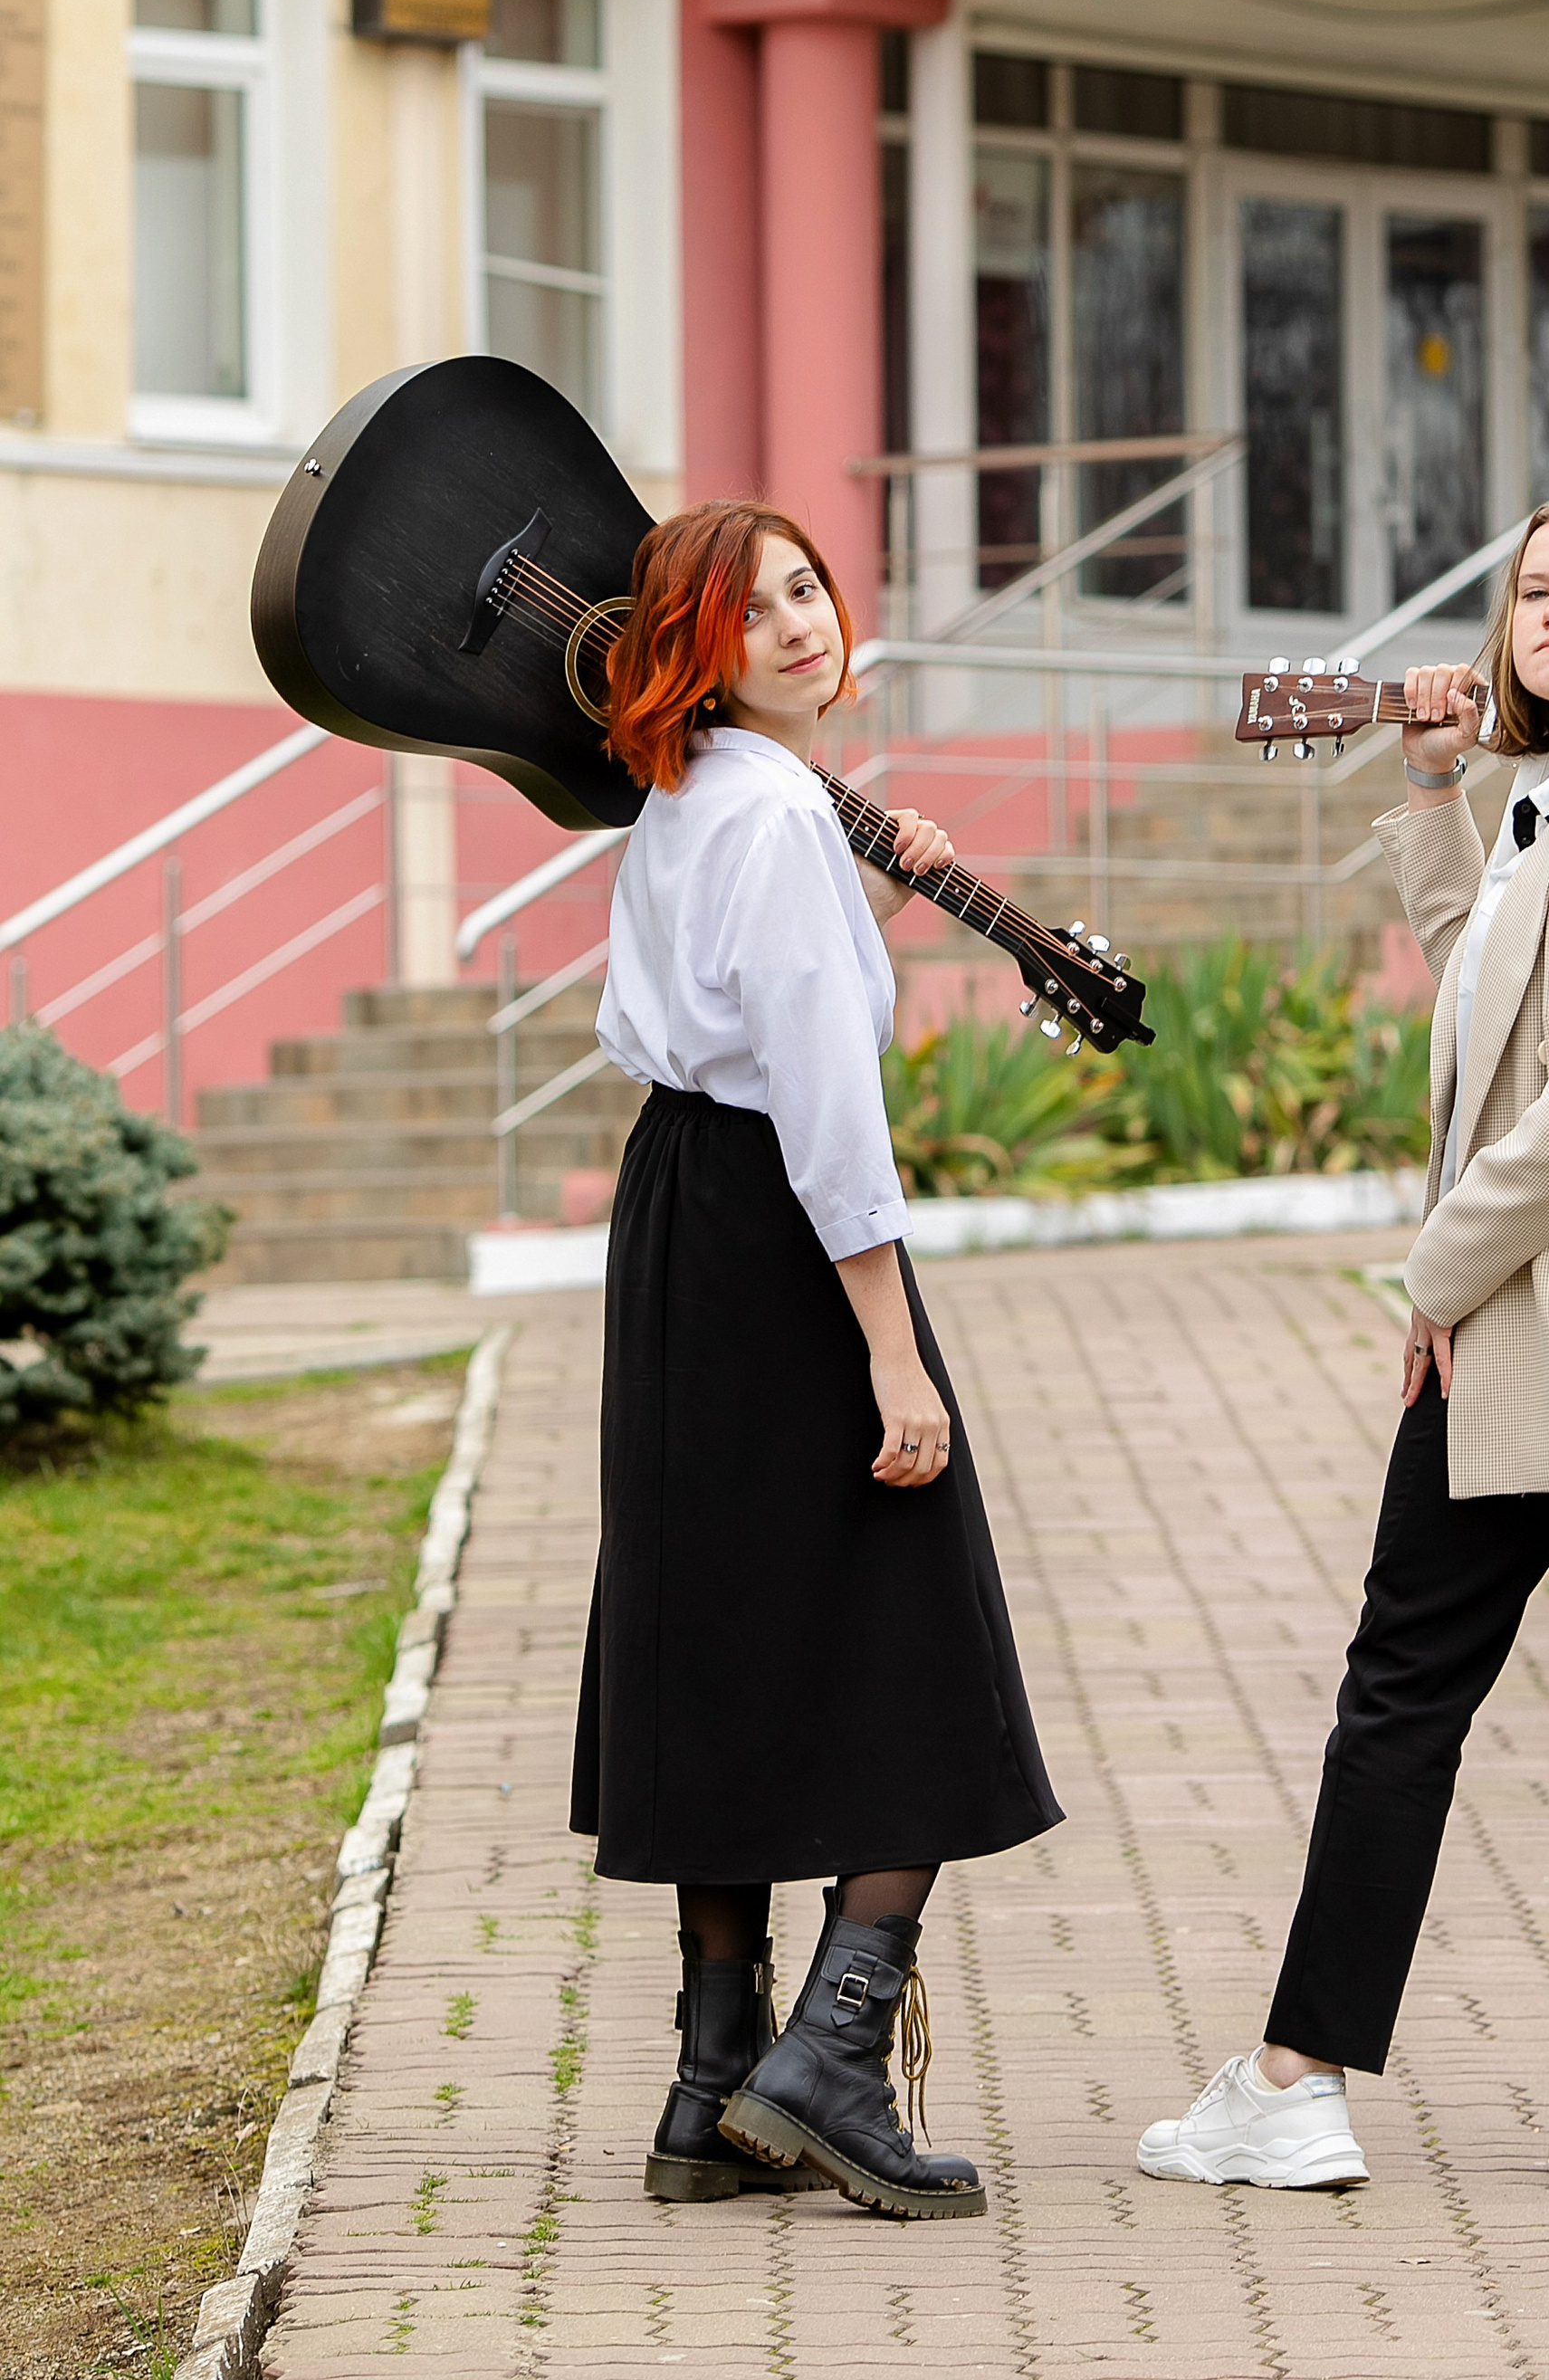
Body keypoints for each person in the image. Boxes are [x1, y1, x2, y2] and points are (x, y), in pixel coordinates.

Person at [1138, 493, 1549, 2202]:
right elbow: (1480, 1006)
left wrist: (1436, 1275)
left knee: (1408, 1697)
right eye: (1532, 591)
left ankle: (1296, 2083)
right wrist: (1433, 791)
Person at [572, 499, 1062, 2224]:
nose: (796, 623)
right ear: (691, 646)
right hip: (787, 1233)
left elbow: (759, 1008)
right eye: (748, 607)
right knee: (915, 1626)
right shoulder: (778, 813)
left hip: (679, 1212)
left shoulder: (697, 788)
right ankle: (835, 2063)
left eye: (805, 588)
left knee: (714, 1623)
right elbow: (827, 1106)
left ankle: (716, 2078)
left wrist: (869, 917)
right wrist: (892, 1352)